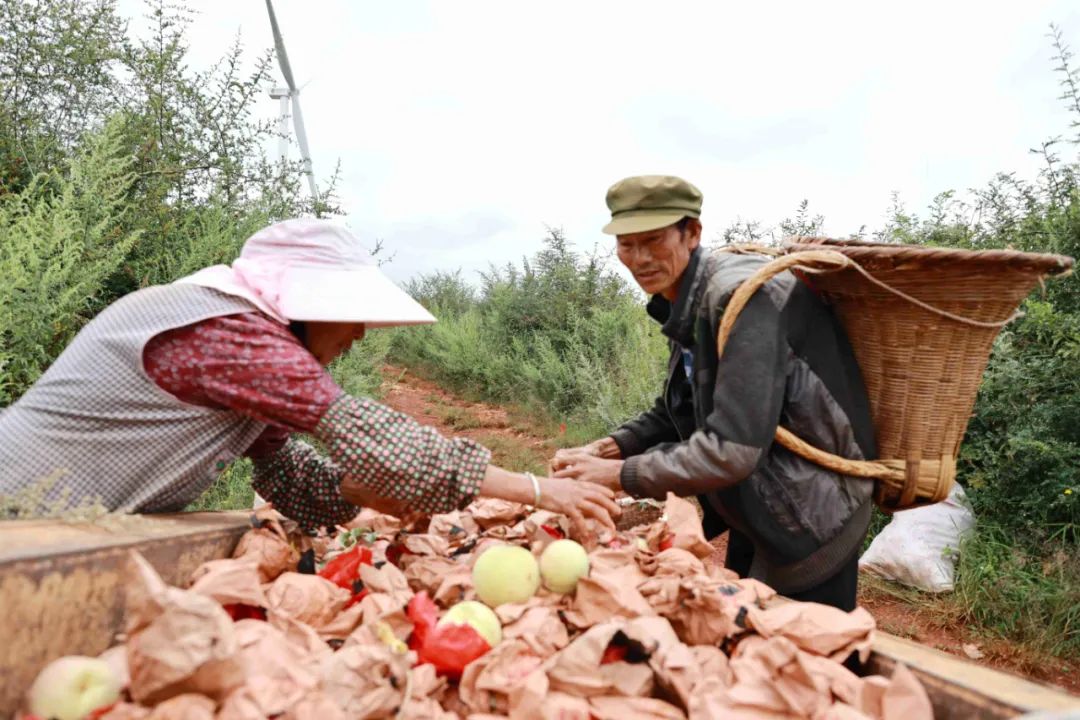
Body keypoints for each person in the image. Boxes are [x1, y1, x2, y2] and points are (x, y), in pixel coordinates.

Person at [0, 219, 618, 533]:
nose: (357, 336)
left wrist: (359, 492)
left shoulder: (250, 361)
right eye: (352, 320)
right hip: (16, 511)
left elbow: (288, 477)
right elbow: (369, 431)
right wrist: (536, 491)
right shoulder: (228, 331)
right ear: (306, 303)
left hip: (66, 526)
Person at [552, 175, 876, 611]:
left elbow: (732, 450)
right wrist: (605, 449)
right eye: (627, 245)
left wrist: (616, 474)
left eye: (653, 240)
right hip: (757, 509)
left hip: (811, 515)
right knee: (740, 636)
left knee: (813, 661)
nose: (640, 258)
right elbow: (680, 409)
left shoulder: (739, 298)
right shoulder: (684, 297)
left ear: (692, 233)